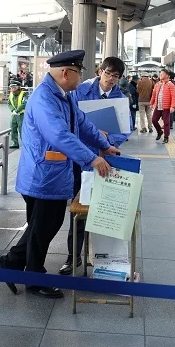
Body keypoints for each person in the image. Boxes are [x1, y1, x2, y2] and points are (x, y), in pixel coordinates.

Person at [0, 50, 120, 299]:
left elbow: (82, 124)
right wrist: (92, 158)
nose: (80, 78)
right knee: (43, 226)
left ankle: (11, 262)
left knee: (43, 225)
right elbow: (59, 136)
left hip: (53, 175)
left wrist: (103, 145)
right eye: (78, 73)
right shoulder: (44, 99)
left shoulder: (64, 95)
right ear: (66, 73)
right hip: (42, 177)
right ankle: (33, 278)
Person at [59, 56, 131, 275]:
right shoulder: (81, 91)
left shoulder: (120, 98)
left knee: (101, 209)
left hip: (104, 160)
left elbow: (126, 129)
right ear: (100, 71)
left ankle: (98, 257)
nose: (111, 80)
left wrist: (108, 140)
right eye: (108, 74)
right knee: (77, 211)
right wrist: (91, 135)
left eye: (116, 76)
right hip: (80, 160)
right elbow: (71, 122)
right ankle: (73, 257)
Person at [150, 69, 175, 144]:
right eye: (160, 74)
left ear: (167, 75)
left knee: (166, 123)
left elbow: (173, 96)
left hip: (166, 107)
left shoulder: (170, 85)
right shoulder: (157, 84)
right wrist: (151, 103)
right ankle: (159, 131)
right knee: (154, 120)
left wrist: (172, 106)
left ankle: (166, 137)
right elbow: (154, 95)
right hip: (158, 106)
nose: (160, 75)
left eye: (162, 74)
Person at [8, 80, 27, 149]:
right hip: (14, 115)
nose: (12, 89)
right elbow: (9, 103)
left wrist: (17, 110)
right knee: (13, 129)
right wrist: (13, 110)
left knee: (22, 129)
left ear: (18, 87)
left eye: (14, 87)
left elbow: (24, 103)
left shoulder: (24, 94)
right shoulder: (11, 94)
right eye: (11, 87)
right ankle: (15, 143)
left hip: (22, 114)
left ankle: (25, 144)